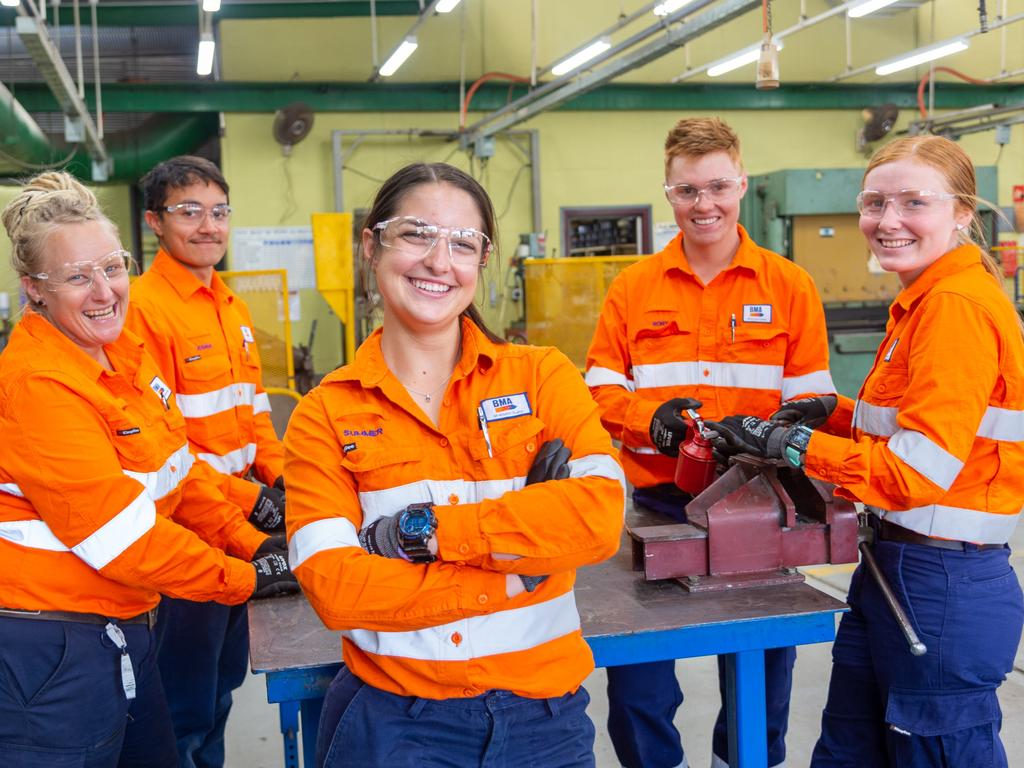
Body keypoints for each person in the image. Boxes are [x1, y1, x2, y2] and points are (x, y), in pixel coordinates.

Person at [283, 162, 625, 767]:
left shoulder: (543, 376)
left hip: (542, 722)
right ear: (372, 245)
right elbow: (336, 588)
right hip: (394, 723)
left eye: (463, 243)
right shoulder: (324, 413)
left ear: (479, 263)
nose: (440, 262)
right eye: (416, 233)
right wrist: (510, 573)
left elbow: (597, 518)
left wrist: (429, 532)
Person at [707, 135, 1024, 768]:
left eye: (914, 202)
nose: (888, 220)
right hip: (894, 571)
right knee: (850, 749)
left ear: (962, 213)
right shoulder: (921, 301)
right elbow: (912, 426)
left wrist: (793, 444)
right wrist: (834, 413)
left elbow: (913, 472)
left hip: (943, 584)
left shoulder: (955, 307)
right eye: (874, 202)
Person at [0, 172, 297, 767]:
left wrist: (256, 542)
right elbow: (122, 537)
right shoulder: (39, 385)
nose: (104, 290)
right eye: (76, 277)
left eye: (111, 267)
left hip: (125, 621)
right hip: (51, 646)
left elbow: (177, 476)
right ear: (34, 289)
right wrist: (244, 577)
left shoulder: (121, 358)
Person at [585, 117, 836, 768]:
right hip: (656, 508)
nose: (705, 205)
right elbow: (597, 394)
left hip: (755, 507)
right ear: (667, 193)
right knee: (640, 676)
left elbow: (813, 404)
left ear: (741, 184)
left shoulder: (789, 286)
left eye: (718, 187)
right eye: (688, 191)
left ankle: (747, 760)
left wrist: (771, 436)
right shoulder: (632, 288)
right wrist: (653, 422)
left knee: (761, 663)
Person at [124, 156, 289, 768]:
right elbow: (160, 447)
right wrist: (251, 504)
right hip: (189, 528)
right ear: (154, 223)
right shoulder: (142, 310)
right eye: (188, 211)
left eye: (218, 212)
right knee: (185, 698)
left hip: (238, 522)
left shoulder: (230, 306)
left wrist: (279, 477)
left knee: (223, 684)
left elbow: (253, 410)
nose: (208, 226)